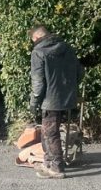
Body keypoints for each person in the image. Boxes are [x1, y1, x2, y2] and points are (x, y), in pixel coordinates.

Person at [28, 25, 83, 179]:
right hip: (67, 97)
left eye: (33, 41)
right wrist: (68, 89)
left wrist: (34, 102)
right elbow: (80, 73)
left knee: (50, 133)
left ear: (37, 38)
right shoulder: (67, 48)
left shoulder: (38, 52)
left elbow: (38, 82)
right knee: (48, 131)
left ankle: (56, 167)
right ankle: (48, 161)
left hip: (50, 100)